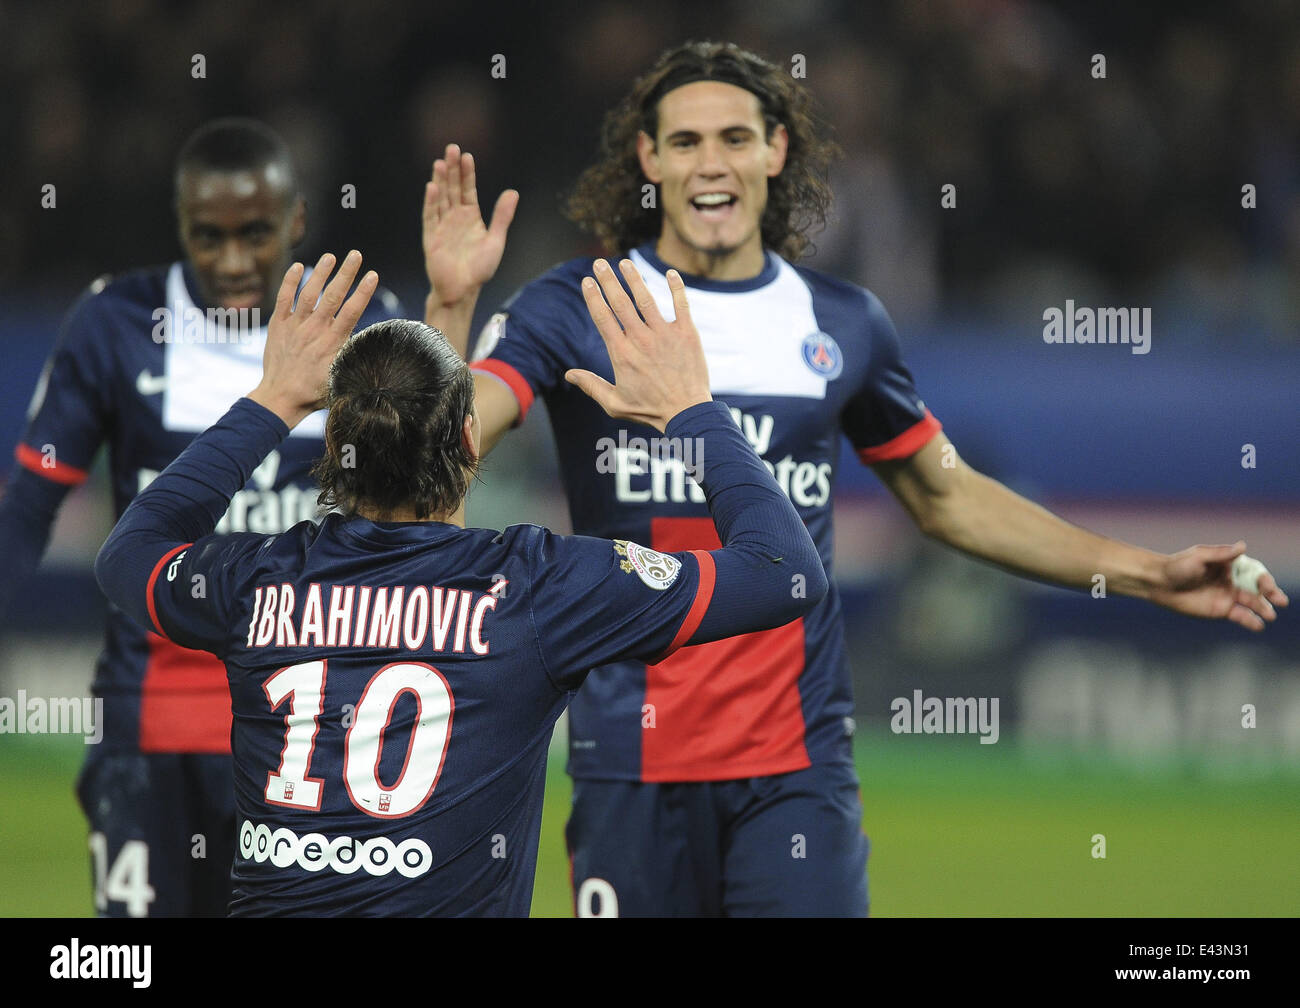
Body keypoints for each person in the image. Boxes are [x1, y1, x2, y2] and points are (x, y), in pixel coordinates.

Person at [420, 40, 1290, 917]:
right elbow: (449, 443)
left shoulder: (842, 324)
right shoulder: (581, 304)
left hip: (796, 766)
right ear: (649, 159)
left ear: (776, 149)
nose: (711, 163)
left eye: (734, 137)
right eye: (685, 142)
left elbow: (947, 495)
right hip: (630, 762)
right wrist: (451, 311)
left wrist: (1149, 572)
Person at [93, 249, 828, 916]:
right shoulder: (537, 589)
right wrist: (692, 412)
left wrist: (272, 402)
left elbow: (129, 553)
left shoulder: (256, 582)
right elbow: (784, 570)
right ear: (472, 439)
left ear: (334, 445)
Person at [0, 118, 401, 916]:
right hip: (148, 732)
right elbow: (29, 511)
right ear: (181, 223)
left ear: (295, 219)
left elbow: (415, 510)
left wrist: (453, 308)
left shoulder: (361, 322)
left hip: (307, 735)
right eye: (207, 236)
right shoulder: (115, 322)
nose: (232, 261)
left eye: (255, 233)